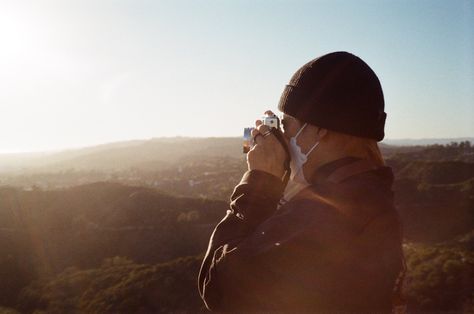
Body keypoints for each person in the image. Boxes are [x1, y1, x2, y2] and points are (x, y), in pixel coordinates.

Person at [198, 51, 406, 313]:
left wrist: (259, 185)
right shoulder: (371, 197)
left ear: (321, 128)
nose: (283, 138)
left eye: (286, 126)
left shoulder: (326, 217)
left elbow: (217, 287)